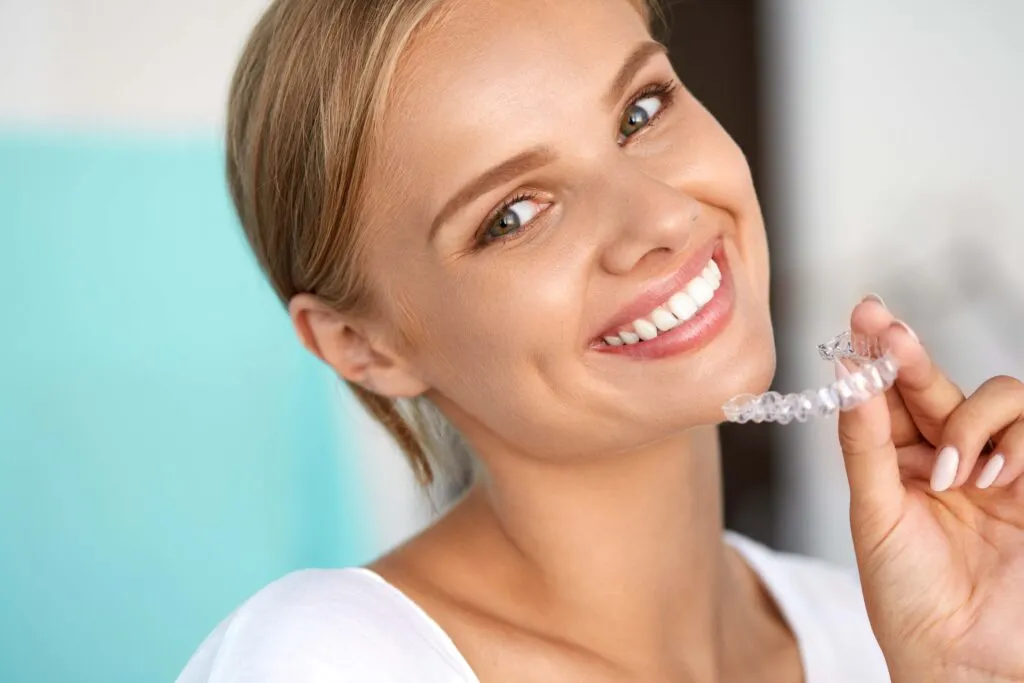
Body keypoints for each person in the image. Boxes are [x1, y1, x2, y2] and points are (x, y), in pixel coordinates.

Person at [178, 0, 1024, 680]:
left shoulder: (886, 637)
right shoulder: (325, 661)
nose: (662, 215)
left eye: (640, 111)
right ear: (363, 346)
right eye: (512, 215)